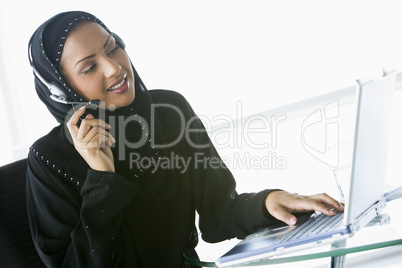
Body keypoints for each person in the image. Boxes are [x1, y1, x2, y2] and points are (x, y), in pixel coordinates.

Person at [26, 11, 344, 268]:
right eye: (89, 67)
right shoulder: (50, 159)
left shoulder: (169, 112)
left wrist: (267, 201)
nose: (114, 68)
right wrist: (102, 179)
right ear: (60, 89)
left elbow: (219, 212)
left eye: (113, 48)